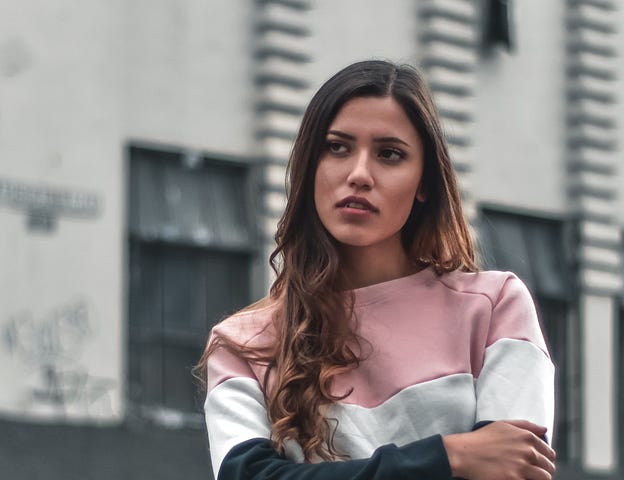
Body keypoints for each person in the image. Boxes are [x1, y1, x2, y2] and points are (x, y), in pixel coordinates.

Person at [197, 60, 557, 480]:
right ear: (310, 167)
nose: (359, 174)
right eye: (337, 147)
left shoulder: (495, 308)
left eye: (389, 154)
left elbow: (511, 469)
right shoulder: (244, 347)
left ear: (424, 182)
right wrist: (448, 456)